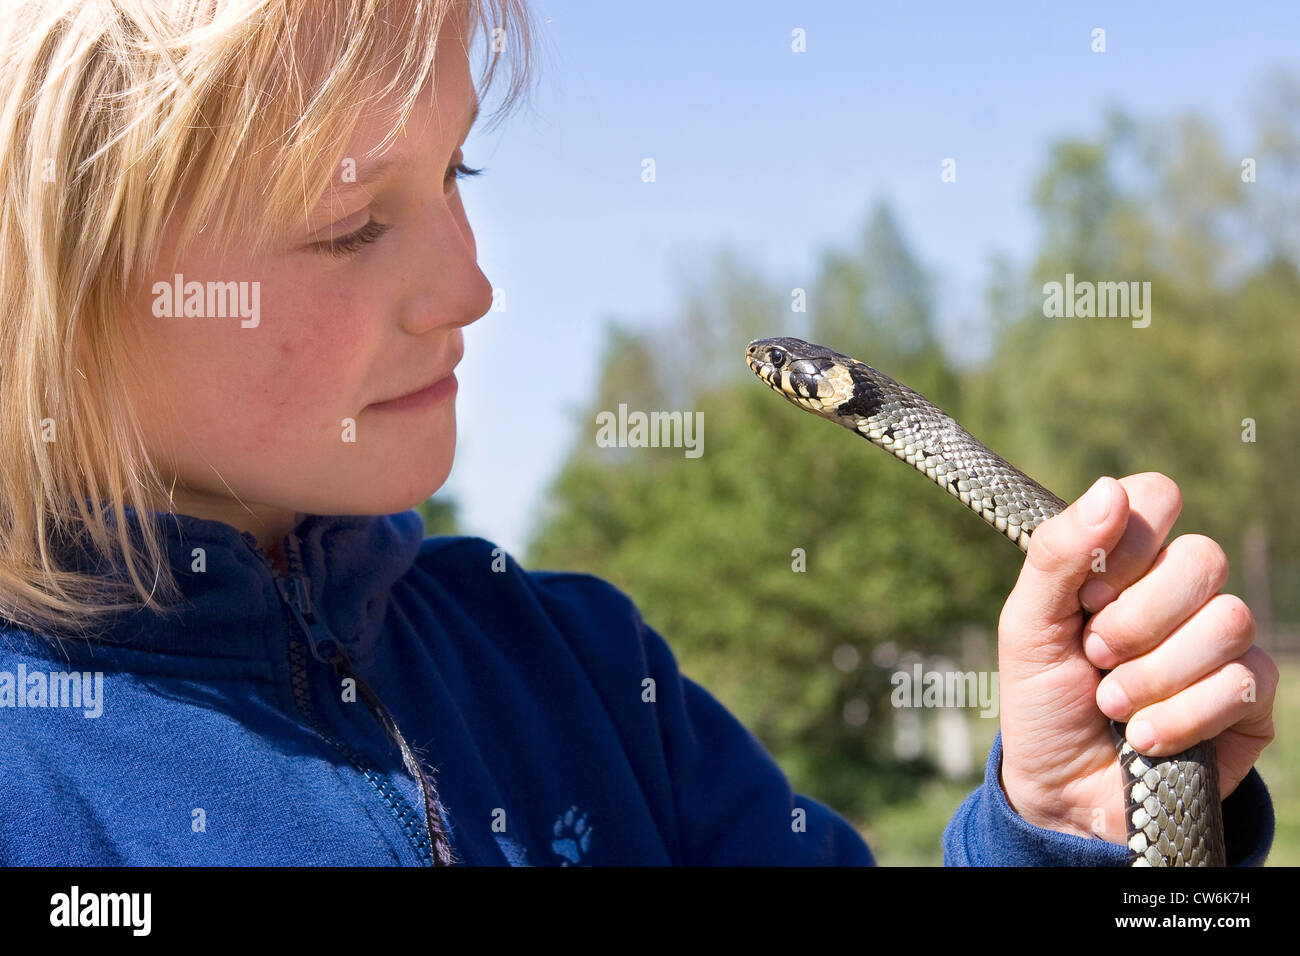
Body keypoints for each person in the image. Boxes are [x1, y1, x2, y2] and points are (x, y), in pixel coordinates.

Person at [0, 0, 1275, 866]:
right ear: (49, 291)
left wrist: (1062, 829)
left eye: (459, 173)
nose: (472, 285)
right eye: (347, 224)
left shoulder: (588, 673)